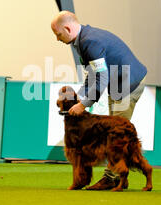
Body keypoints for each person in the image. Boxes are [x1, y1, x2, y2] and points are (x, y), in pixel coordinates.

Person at [51, 10, 147, 190]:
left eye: (58, 34)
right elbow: (92, 73)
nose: (57, 39)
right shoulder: (81, 41)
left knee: (116, 137)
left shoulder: (90, 42)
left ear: (67, 28)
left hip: (127, 86)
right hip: (118, 85)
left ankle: (111, 178)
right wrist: (81, 94)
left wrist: (84, 104)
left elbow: (102, 76)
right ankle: (118, 178)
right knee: (112, 134)